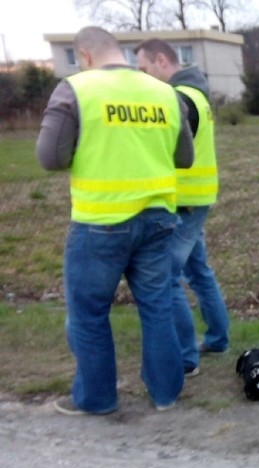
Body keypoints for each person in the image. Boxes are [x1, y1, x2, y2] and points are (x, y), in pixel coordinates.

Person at [36, 26, 195, 415]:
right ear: (119, 52)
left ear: (85, 56)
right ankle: (165, 395)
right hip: (158, 219)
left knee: (90, 313)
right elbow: (185, 158)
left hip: (100, 221)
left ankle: (97, 399)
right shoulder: (165, 93)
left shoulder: (76, 89)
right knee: (157, 306)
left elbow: (50, 157)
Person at [134, 39, 230, 378]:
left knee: (166, 276)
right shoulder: (198, 94)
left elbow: (163, 148)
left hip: (183, 201)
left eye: (144, 69)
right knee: (199, 271)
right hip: (197, 197)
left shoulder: (179, 99)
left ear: (161, 61)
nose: (142, 77)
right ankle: (218, 339)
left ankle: (186, 359)